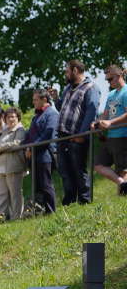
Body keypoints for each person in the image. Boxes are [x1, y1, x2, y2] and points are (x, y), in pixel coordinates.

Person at [55, 60, 101, 205]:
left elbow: (91, 111)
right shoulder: (67, 88)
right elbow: (63, 108)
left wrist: (81, 134)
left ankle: (85, 201)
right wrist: (56, 99)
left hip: (77, 136)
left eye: (67, 71)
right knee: (65, 171)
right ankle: (69, 201)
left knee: (78, 170)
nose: (65, 74)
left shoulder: (91, 87)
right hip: (62, 136)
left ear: (75, 70)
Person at [92, 64, 127, 196]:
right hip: (111, 136)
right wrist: (97, 122)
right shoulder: (111, 94)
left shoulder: (126, 91)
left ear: (119, 76)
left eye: (110, 79)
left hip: (123, 135)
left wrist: (110, 122)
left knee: (123, 170)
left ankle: (123, 199)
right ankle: (122, 184)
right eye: (106, 80)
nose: (108, 82)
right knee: (98, 165)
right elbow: (105, 114)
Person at [0, 108, 27, 223]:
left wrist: (1, 148)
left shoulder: (19, 129)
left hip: (13, 166)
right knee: (2, 194)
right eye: (8, 117)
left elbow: (17, 143)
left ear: (17, 117)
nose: (10, 119)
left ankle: (17, 217)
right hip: (0, 167)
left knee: (15, 193)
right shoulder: (4, 131)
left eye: (12, 117)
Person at [24, 89, 59, 213]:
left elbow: (48, 133)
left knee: (46, 184)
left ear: (44, 99)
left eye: (35, 100)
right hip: (35, 156)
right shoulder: (36, 116)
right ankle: (41, 211)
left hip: (45, 155)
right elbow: (29, 135)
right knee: (37, 186)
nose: (33, 102)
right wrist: (24, 146)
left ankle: (51, 211)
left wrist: (31, 147)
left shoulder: (52, 113)